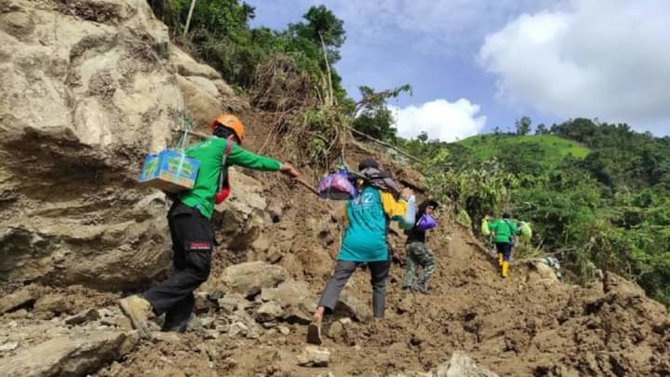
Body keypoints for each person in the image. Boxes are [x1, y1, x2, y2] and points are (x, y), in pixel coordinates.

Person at [120, 114, 300, 338]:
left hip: (178, 213)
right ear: (233, 135)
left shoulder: (195, 148)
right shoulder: (223, 146)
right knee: (198, 269)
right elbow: (255, 161)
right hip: (195, 211)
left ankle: (174, 328)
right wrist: (282, 167)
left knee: (184, 270)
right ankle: (144, 303)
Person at [308, 158, 412, 345]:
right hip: (375, 245)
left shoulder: (351, 192)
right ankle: (378, 322)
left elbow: (348, 218)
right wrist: (404, 199)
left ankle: (319, 313)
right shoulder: (381, 191)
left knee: (337, 279)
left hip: (351, 244)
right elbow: (397, 213)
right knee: (379, 284)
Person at [402, 199, 439, 294]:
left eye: (432, 209)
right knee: (431, 261)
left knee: (412, 264)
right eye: (429, 208)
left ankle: (407, 287)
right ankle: (419, 284)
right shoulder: (419, 216)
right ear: (424, 207)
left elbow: (406, 230)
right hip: (416, 244)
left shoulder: (415, 217)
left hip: (409, 245)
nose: (431, 210)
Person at [486, 212, 519, 278]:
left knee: (500, 250)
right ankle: (504, 273)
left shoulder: (498, 221)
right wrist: (515, 223)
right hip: (506, 240)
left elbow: (491, 226)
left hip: (498, 239)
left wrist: (487, 221)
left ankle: (500, 262)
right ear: (509, 217)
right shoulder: (510, 223)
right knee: (506, 254)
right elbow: (515, 230)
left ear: (502, 217)